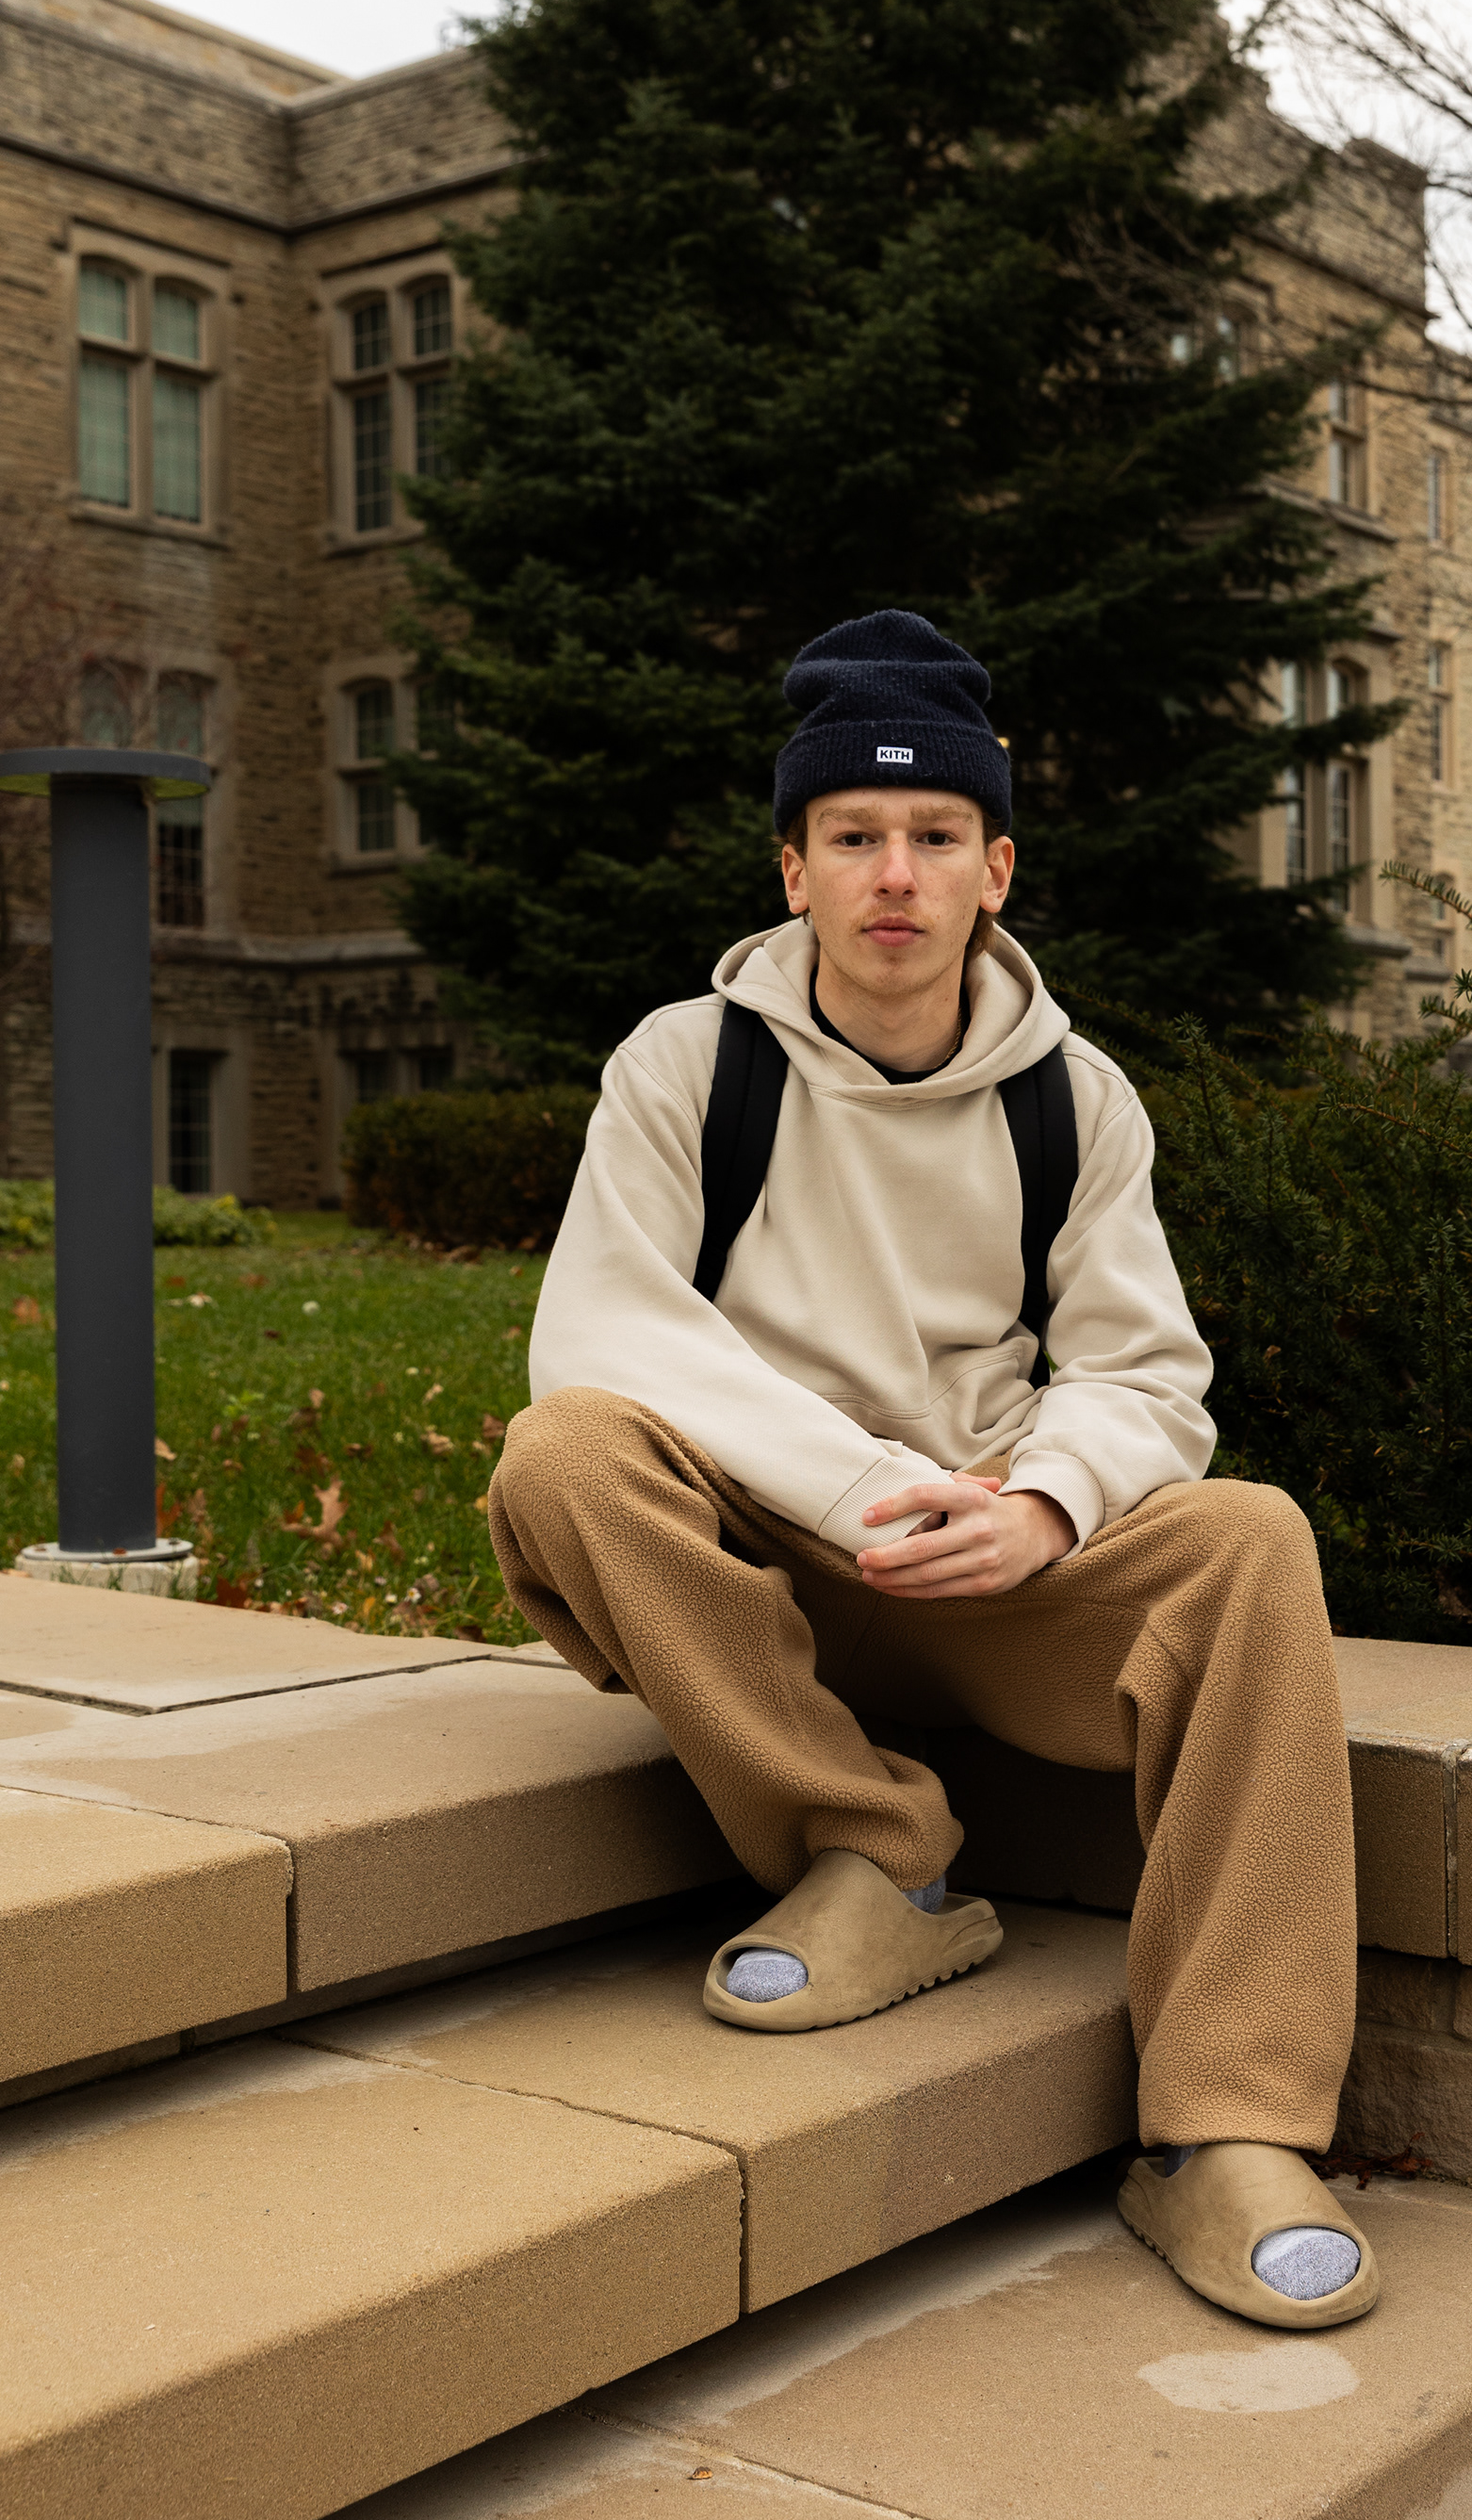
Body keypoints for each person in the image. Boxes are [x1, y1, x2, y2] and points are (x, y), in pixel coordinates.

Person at [489, 609, 1375, 2332]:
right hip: (760, 1573)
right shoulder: (690, 1065)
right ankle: (882, 1854)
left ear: (996, 869)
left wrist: (1041, 1503)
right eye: (853, 837)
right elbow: (603, 1324)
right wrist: (851, 1490)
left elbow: (1147, 1371)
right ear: (796, 869)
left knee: (1250, 1538)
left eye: (934, 836)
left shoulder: (1077, 1100)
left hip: (992, 1576)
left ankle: (1229, 2129)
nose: (894, 873)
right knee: (564, 1455)